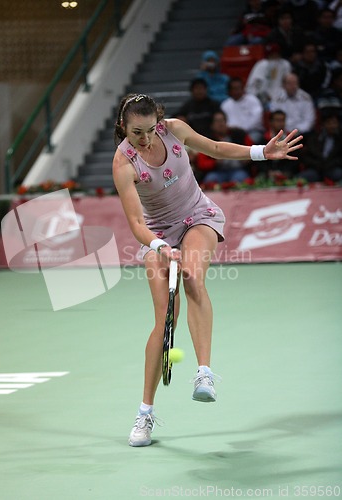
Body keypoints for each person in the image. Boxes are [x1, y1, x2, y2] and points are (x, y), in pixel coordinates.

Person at [112, 93, 303, 447]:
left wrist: (262, 151)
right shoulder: (123, 162)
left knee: (192, 276)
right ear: (123, 127)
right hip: (157, 236)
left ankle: (204, 374)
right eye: (137, 131)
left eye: (150, 129)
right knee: (164, 321)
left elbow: (215, 147)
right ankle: (145, 415)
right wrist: (159, 247)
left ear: (159, 122)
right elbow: (137, 223)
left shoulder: (175, 130)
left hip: (198, 217)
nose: (145, 138)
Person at [196, 110, 253, 184]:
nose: (220, 124)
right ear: (212, 125)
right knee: (210, 179)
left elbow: (252, 149)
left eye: (222, 120)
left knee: (240, 178)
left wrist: (247, 158)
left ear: (226, 122)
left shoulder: (239, 134)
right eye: (217, 121)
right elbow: (201, 162)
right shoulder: (207, 139)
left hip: (238, 169)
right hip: (218, 171)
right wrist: (215, 163)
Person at [245, 43, 292, 109]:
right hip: (263, 100)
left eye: (276, 54)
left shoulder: (285, 64)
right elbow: (254, 85)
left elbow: (289, 82)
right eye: (271, 55)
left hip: (282, 98)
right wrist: (262, 96)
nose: (274, 56)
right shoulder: (261, 65)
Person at [300, 108, 342, 182]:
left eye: (334, 123)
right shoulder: (314, 137)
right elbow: (306, 157)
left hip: (332, 168)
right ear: (324, 124)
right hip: (316, 169)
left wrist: (329, 164)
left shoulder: (340, 139)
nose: (332, 126)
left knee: (339, 174)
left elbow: (339, 158)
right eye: (329, 123)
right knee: (300, 178)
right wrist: (318, 165)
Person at [220, 77, 265, 143]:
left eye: (239, 88)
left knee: (253, 139)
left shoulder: (252, 100)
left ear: (243, 88)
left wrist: (243, 128)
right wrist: (233, 128)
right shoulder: (225, 105)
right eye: (234, 89)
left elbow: (257, 118)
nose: (237, 91)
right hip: (233, 132)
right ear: (229, 90)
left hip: (252, 131)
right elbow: (225, 122)